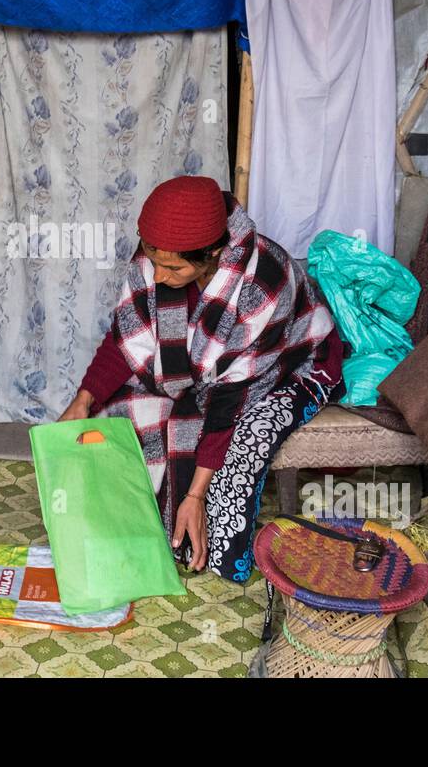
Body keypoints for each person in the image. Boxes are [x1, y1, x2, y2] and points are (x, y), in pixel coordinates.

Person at [58, 175, 344, 582]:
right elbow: (126, 337)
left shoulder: (261, 284)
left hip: (289, 366)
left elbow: (229, 403)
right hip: (207, 373)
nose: (156, 276)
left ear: (213, 253)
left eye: (171, 268)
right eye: (153, 261)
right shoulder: (159, 253)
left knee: (237, 460)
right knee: (114, 416)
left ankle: (200, 538)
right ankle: (133, 531)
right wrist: (84, 399)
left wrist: (195, 496)